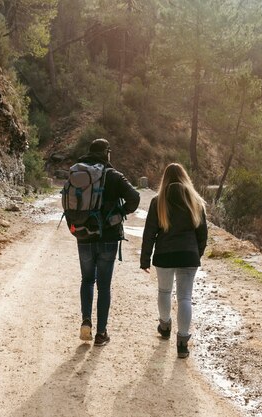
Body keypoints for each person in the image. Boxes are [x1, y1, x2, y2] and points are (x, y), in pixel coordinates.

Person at [76, 138, 140, 346]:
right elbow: (135, 197)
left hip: (84, 235)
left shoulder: (79, 173)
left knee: (87, 280)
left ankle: (86, 320)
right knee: (104, 286)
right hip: (109, 238)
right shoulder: (114, 176)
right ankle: (101, 333)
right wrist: (119, 213)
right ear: (107, 153)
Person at [140, 163, 207, 358]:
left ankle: (165, 326)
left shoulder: (158, 201)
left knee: (164, 291)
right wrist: (196, 254)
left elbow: (149, 233)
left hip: (164, 255)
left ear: (165, 178)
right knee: (185, 297)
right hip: (189, 255)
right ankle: (183, 343)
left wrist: (145, 259)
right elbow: (203, 234)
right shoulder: (195, 201)